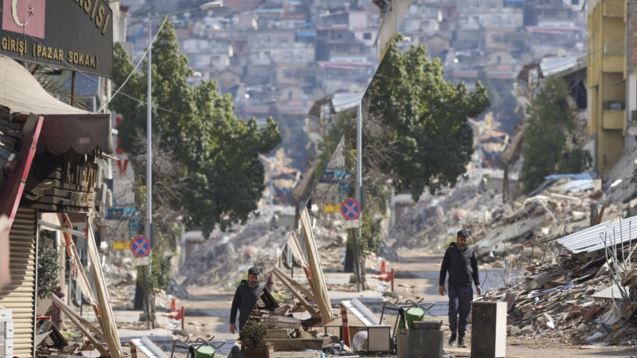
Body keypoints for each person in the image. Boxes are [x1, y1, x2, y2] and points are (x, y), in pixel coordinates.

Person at [438, 229, 481, 347]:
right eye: (461, 240)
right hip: (454, 287)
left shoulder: (471, 252)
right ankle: (453, 333)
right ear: (457, 239)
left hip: (467, 287)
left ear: (467, 240)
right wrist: (441, 284)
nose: (463, 242)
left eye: (465, 240)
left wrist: (477, 284)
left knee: (464, 313)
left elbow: (475, 268)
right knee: (453, 309)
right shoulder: (450, 251)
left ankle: (461, 338)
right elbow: (444, 268)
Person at [229, 266, 263, 334]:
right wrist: (232, 323)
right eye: (252, 277)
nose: (254, 280)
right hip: (244, 322)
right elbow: (234, 305)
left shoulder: (262, 288)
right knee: (245, 342)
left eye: (256, 278)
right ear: (248, 277)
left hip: (257, 323)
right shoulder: (241, 288)